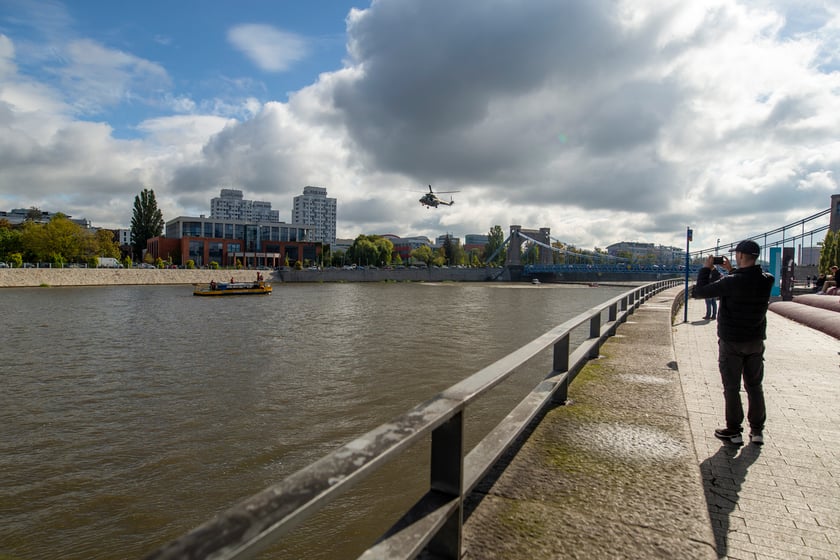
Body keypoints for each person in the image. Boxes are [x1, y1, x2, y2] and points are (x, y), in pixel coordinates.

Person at [692, 239, 775, 446]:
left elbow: (699, 292)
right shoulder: (767, 280)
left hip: (731, 342)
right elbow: (746, 281)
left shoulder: (732, 281)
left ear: (739, 256)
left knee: (731, 387)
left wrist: (706, 269)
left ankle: (734, 431)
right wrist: (730, 272)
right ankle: (757, 432)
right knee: (755, 386)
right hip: (755, 341)